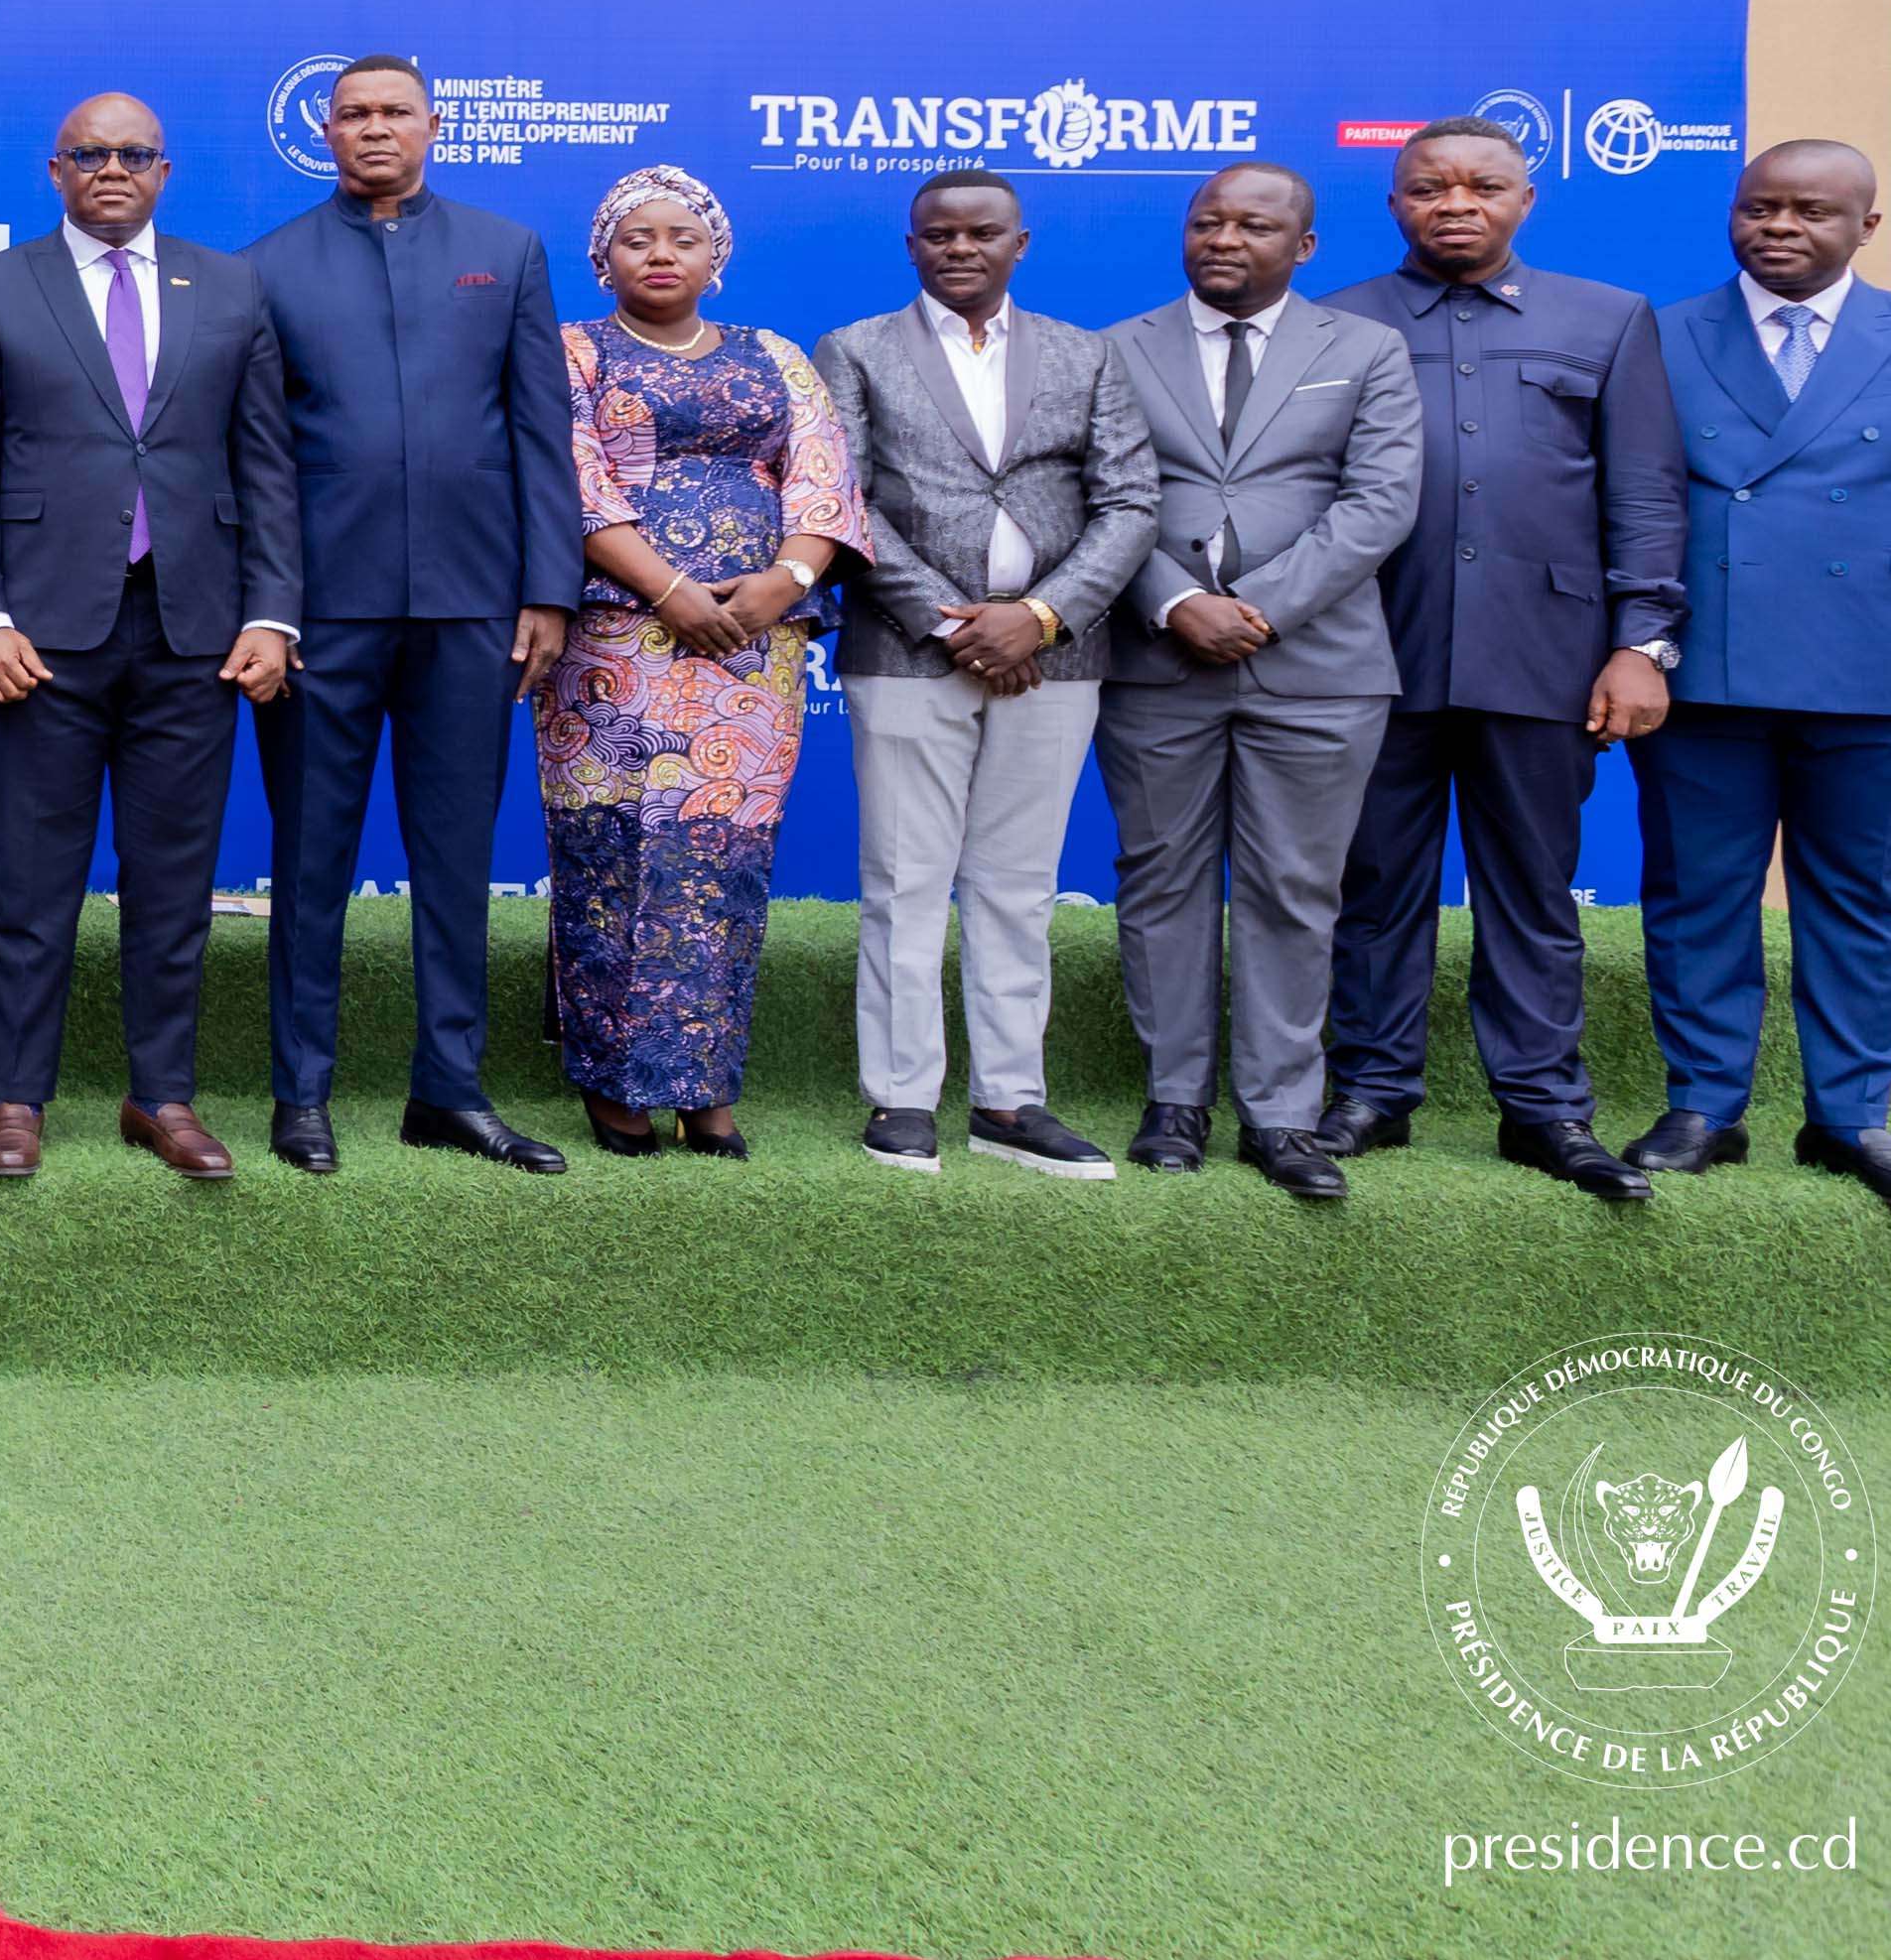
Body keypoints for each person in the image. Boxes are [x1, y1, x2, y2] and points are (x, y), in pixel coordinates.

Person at [1633, 139, 1891, 1216]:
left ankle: (1851, 1117)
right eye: (1758, 207)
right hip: (1705, 667)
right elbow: (1626, 505)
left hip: (1885, 665)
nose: (1779, 226)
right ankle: (1702, 1107)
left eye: (1810, 210)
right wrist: (1632, 643)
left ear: (1866, 225)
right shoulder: (1658, 333)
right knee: (1695, 894)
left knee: (1865, 900)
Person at [1316, 117, 1684, 1199]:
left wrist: (1641, 643)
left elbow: (1645, 494)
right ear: (1395, 204)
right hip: (1373, 654)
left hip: (1545, 655)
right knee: (1373, 884)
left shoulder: (1607, 319)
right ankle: (1371, 1090)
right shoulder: (1334, 322)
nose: (1456, 203)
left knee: (1530, 888)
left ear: (1525, 199)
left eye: (1483, 185)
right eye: (1429, 187)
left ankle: (1542, 1106)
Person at [0, 89, 304, 1181]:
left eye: (134, 154)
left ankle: (161, 1096)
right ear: (55, 170)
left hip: (195, 630)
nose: (112, 169)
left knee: (172, 881)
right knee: (32, 880)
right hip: (39, 633)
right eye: (90, 154)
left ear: (164, 171)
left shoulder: (229, 285)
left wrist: (271, 610)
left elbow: (266, 463)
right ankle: (17, 1095)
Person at [238, 57, 575, 1176]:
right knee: (309, 860)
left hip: (474, 608)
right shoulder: (266, 265)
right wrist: (270, 608)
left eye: (394, 112)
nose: (374, 128)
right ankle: (300, 1094)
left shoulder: (505, 251)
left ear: (433, 125)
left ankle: (450, 1090)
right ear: (324, 131)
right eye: (353, 114)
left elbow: (539, 431)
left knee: (456, 858)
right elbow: (257, 458)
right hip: (319, 614)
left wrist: (547, 589)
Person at [811, 170, 1156, 1176]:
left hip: (1056, 656)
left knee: (1017, 885)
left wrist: (1037, 618)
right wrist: (954, 623)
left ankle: (1008, 1101)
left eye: (981, 233)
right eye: (938, 234)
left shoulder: (1085, 353)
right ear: (911, 245)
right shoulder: (855, 349)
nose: (958, 248)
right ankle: (901, 1097)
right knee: (904, 880)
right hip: (905, 650)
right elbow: (841, 497)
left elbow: (1130, 501)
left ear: (1019, 243)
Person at [1098, 163, 1423, 1203]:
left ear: (1304, 245)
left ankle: (1281, 1111)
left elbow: (1380, 503)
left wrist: (1258, 607)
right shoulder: (1116, 348)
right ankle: (1174, 1099)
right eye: (1208, 221)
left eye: (1253, 224)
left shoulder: (1364, 348)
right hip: (1156, 662)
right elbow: (1097, 499)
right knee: (1162, 878)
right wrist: (1172, 602)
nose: (1225, 239)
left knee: (1294, 886)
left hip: (1319, 668)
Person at [538, 168, 863, 1158]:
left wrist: (783, 580)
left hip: (753, 648)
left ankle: (706, 1084)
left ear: (716, 257)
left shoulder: (775, 355)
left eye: (683, 236)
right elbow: (569, 477)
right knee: (607, 851)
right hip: (615, 640)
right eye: (636, 237)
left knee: (722, 855)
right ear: (603, 259)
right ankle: (615, 1083)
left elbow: (822, 475)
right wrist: (669, 590)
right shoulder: (569, 350)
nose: (661, 253)